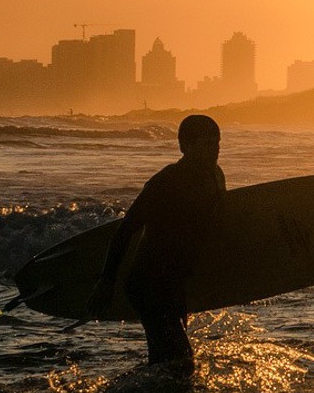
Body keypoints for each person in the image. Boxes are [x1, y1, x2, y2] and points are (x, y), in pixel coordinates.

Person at [87, 115, 226, 372]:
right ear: (184, 146)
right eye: (205, 144)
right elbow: (126, 230)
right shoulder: (166, 182)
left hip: (175, 282)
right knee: (180, 362)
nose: (213, 151)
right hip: (148, 284)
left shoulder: (215, 178)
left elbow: (213, 229)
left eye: (217, 144)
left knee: (168, 362)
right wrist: (107, 281)